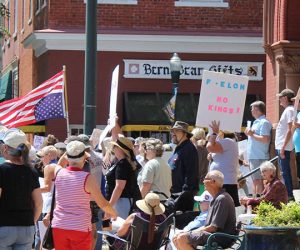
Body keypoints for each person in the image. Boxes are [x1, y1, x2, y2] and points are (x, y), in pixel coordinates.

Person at [44, 140, 117, 250]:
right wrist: (114, 213)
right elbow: (102, 203)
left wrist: (68, 154)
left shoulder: (59, 172)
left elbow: (60, 163)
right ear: (84, 158)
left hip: (59, 225)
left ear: (67, 157)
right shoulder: (87, 178)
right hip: (80, 227)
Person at [0, 129, 43, 249]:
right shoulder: (32, 171)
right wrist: (31, 221)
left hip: (4, 226)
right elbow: (39, 203)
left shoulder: (2, 170)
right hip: (26, 227)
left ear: (5, 148)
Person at [173, 170, 236, 249]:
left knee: (181, 238)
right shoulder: (217, 198)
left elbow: (213, 227)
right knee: (176, 238)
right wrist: (190, 232)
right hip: (213, 235)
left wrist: (191, 232)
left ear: (213, 182)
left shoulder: (222, 198)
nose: (203, 181)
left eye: (205, 179)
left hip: (219, 238)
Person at [105, 137, 141, 219]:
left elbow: (119, 187)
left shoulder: (123, 164)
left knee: (117, 229)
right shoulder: (118, 162)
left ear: (120, 149)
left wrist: (109, 207)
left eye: (115, 146)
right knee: (110, 228)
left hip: (120, 202)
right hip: (117, 201)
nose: (113, 148)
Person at [206, 120, 240, 206]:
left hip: (226, 182)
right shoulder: (227, 142)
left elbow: (209, 147)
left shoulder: (228, 141)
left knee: (224, 207)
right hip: (223, 181)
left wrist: (214, 133)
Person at [168, 121, 199, 212]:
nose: (173, 134)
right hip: (175, 195)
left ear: (185, 133)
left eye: (176, 131)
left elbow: (191, 175)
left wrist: (182, 196)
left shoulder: (189, 149)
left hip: (182, 198)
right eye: (172, 131)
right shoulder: (180, 148)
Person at [244, 101, 272, 196]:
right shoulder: (256, 122)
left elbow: (265, 139)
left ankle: (259, 203)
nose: (251, 111)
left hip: (260, 156)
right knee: (256, 181)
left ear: (257, 110)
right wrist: (250, 135)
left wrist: (251, 134)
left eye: (252, 109)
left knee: (259, 181)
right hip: (254, 156)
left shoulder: (264, 122)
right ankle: (255, 201)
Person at [275, 88, 295, 198]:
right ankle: (288, 196)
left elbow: (290, 129)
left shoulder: (289, 110)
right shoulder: (288, 110)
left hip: (284, 147)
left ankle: (290, 196)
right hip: (283, 147)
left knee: (285, 172)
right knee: (284, 172)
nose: (279, 100)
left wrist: (283, 147)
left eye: (281, 98)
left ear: (285, 98)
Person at [292, 96, 300, 186]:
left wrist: (295, 123)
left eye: (296, 102)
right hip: (298, 149)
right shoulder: (298, 114)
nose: (295, 105)